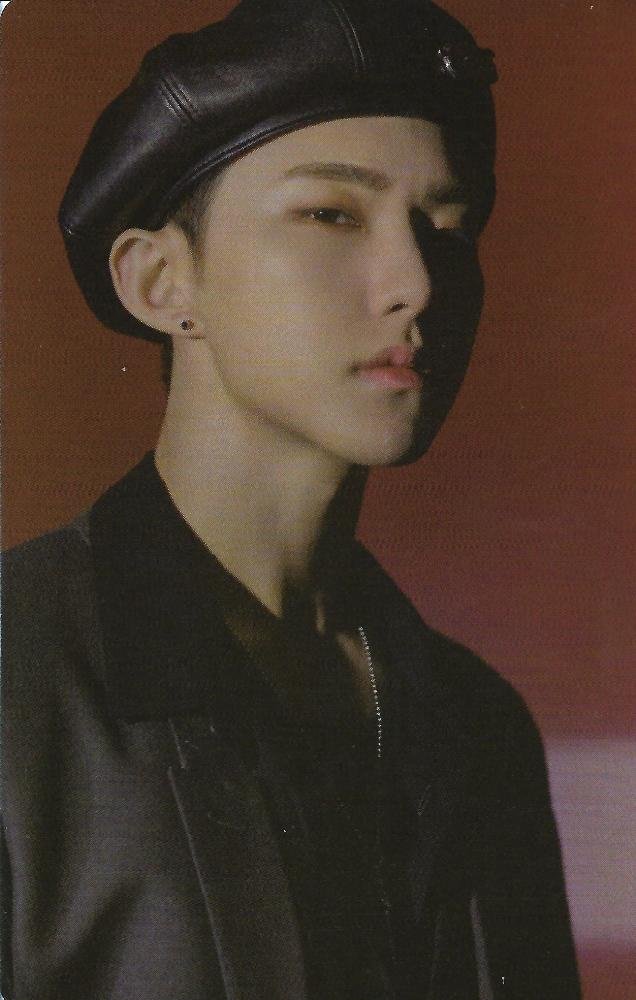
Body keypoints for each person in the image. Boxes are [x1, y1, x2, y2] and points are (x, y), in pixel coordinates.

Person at [1, 1, 581, 997]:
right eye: (330, 214)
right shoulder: (17, 680)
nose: (416, 283)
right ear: (159, 279)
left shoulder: (477, 726)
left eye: (448, 228)